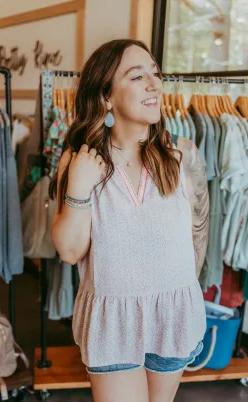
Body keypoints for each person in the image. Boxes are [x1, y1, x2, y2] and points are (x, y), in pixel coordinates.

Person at [50, 39, 209, 402]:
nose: (155, 84)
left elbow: (198, 233)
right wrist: (78, 185)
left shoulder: (182, 153)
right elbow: (70, 251)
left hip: (174, 315)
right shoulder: (80, 161)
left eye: (155, 73)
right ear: (106, 96)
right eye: (138, 76)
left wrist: (184, 293)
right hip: (112, 322)